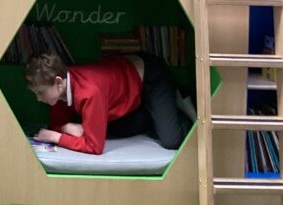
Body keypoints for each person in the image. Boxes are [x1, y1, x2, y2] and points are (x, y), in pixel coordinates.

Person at [24, 50, 192, 155]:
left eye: (41, 93)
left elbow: (94, 147)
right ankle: (153, 112)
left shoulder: (89, 92)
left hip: (150, 76)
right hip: (124, 89)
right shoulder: (59, 92)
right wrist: (64, 128)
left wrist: (55, 136)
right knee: (113, 130)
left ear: (59, 82)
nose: (38, 99)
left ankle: (177, 103)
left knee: (171, 141)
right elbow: (56, 125)